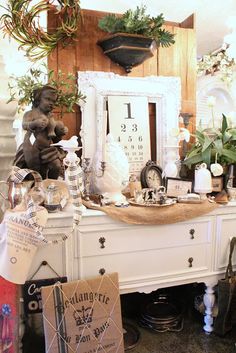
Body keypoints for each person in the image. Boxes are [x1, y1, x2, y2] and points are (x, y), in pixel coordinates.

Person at [13, 85, 68, 179]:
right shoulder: (30, 113)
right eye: (48, 99)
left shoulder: (50, 116)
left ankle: (51, 185)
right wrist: (34, 123)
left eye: (53, 101)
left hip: (48, 148)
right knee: (34, 168)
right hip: (32, 146)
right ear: (38, 99)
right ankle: (35, 186)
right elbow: (24, 125)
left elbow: (54, 135)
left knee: (56, 166)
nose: (51, 103)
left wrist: (60, 131)